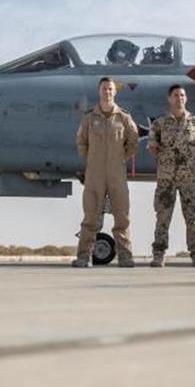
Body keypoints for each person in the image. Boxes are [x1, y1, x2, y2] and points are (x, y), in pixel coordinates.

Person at [72, 77, 140, 267]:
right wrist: (93, 160)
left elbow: (133, 143)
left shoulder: (124, 118)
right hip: (94, 174)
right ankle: (83, 257)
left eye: (110, 89)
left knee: (122, 216)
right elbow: (81, 142)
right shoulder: (89, 118)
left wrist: (119, 159)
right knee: (90, 217)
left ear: (115, 92)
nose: (107, 92)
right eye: (104, 89)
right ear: (99, 91)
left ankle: (126, 257)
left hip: (117, 174)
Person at [148, 84, 195, 267]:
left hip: (188, 179)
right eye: (175, 95)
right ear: (169, 99)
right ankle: (158, 254)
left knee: (192, 217)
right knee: (163, 217)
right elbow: (152, 148)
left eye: (182, 95)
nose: (179, 98)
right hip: (166, 178)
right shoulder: (159, 124)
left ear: (186, 98)